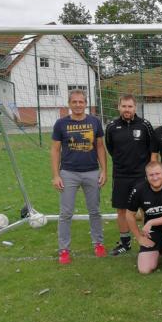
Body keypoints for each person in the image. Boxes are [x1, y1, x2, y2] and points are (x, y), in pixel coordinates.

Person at [50, 89, 107, 264]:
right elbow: (55, 149)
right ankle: (64, 250)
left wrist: (104, 170)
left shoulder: (94, 122)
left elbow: (99, 147)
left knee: (95, 211)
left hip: (91, 172)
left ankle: (98, 243)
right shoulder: (60, 124)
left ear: (85, 103)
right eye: (74, 102)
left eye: (81, 102)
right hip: (68, 173)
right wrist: (56, 175)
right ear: (69, 104)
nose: (77, 105)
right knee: (66, 213)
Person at [104, 94, 155, 256]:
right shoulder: (111, 126)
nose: (127, 109)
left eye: (130, 106)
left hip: (141, 175)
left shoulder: (145, 125)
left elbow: (152, 149)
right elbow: (111, 149)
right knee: (122, 211)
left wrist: (149, 172)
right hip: (120, 176)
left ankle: (149, 239)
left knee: (147, 208)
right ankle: (125, 243)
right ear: (119, 107)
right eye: (124, 106)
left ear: (135, 108)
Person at [124, 162, 162, 278]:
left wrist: (151, 222)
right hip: (153, 230)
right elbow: (129, 215)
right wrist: (139, 237)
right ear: (146, 176)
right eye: (151, 175)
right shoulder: (138, 189)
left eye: (158, 173)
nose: (155, 177)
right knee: (145, 269)